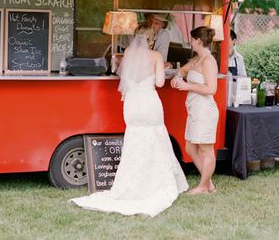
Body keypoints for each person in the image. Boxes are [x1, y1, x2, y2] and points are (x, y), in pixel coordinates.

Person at [70, 24, 188, 217]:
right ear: (151, 39)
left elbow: (120, 76)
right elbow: (159, 83)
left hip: (132, 104)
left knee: (135, 140)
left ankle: (132, 183)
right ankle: (155, 183)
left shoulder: (127, 56)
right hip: (149, 103)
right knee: (155, 138)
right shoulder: (156, 56)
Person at [171, 26, 218, 194]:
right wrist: (177, 78)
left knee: (206, 149)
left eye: (191, 39)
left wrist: (187, 86)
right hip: (194, 110)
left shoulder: (208, 61)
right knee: (190, 148)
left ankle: (203, 186)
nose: (189, 42)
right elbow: (183, 70)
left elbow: (211, 89)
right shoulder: (197, 59)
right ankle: (208, 183)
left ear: (198, 40)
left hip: (205, 110)